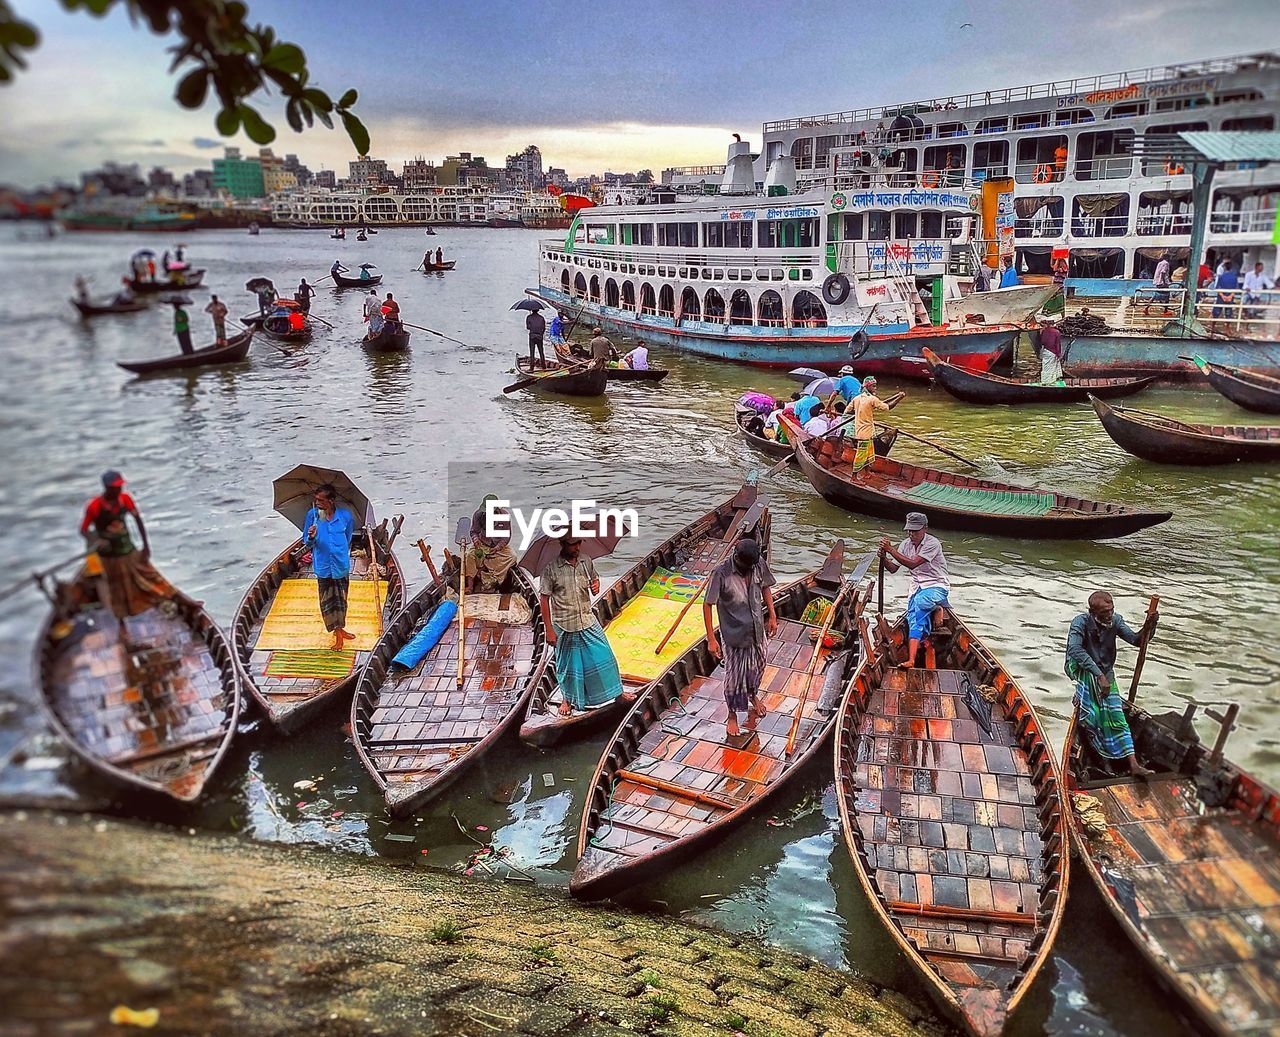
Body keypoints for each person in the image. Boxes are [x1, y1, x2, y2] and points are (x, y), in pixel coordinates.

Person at [79, 471, 184, 637]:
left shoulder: (125, 500)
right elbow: (84, 530)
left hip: (128, 549)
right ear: (106, 488)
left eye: (120, 486)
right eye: (115, 487)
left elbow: (138, 521)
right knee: (117, 587)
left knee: (150, 575)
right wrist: (100, 539)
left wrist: (146, 546)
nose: (119, 490)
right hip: (109, 556)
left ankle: (180, 600)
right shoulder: (95, 507)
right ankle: (121, 622)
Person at [1065, 592, 1158, 779]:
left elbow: (1137, 641)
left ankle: (1134, 765)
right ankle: (1103, 760)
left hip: (1105, 672)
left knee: (1117, 718)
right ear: (1093, 612)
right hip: (1083, 668)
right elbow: (1074, 649)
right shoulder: (1080, 623)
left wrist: (1150, 625)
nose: (1110, 614)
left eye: (1111, 610)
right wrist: (1098, 676)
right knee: (1093, 715)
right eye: (1105, 612)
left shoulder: (1116, 621)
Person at [538, 534, 626, 716]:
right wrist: (549, 630)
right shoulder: (551, 569)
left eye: (579, 543)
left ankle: (618, 694)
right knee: (567, 665)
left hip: (586, 618)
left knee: (605, 655)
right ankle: (567, 699)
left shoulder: (586, 561)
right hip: (564, 623)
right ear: (563, 545)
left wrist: (596, 585)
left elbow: (594, 579)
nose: (577, 547)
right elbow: (544, 599)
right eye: (572, 544)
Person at [704, 536, 777, 739]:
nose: (748, 568)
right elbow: (707, 604)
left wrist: (772, 615)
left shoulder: (757, 563)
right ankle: (732, 715)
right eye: (745, 565)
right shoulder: (721, 573)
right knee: (735, 676)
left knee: (759, 665)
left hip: (756, 630)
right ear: (736, 557)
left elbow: (765, 587)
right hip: (734, 633)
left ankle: (753, 695)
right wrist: (711, 638)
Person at [879, 513, 949, 669]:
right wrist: (884, 558)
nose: (912, 535)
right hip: (917, 587)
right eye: (909, 531)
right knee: (913, 618)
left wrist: (890, 549)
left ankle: (911, 660)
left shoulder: (933, 543)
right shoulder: (905, 544)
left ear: (925, 528)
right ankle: (934, 612)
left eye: (915, 531)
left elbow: (912, 564)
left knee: (920, 604)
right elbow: (892, 568)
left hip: (937, 585)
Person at [297, 483, 356, 651]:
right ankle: (337, 634)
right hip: (323, 566)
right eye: (316, 500)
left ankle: (340, 628)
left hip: (340, 565)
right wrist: (311, 536)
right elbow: (306, 542)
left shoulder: (345, 516)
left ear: (331, 500)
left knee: (341, 599)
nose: (317, 503)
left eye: (321, 500)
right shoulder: (313, 516)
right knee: (328, 602)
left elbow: (348, 536)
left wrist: (338, 550)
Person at [463, 496, 518, 594]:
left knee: (512, 557)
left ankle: (494, 578)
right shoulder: (478, 515)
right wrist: (476, 540)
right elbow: (474, 531)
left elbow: (506, 537)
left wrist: (497, 548)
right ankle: (470, 586)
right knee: (469, 555)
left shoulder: (504, 516)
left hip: (498, 547)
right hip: (482, 544)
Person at [844, 377, 899, 471]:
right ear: (868, 386)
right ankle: (854, 476)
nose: (875, 388)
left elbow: (847, 412)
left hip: (864, 431)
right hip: (865, 433)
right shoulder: (872, 399)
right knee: (861, 455)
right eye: (873, 386)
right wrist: (899, 398)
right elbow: (887, 407)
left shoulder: (857, 399)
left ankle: (867, 473)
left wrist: (860, 412)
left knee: (870, 455)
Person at [1037, 316, 1064, 384]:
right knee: (1052, 367)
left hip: (1045, 351)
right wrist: (1059, 354)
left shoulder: (1044, 331)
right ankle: (1049, 381)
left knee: (1045, 366)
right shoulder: (1056, 332)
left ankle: (1045, 380)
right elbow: (1057, 344)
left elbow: (1042, 341)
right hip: (1052, 352)